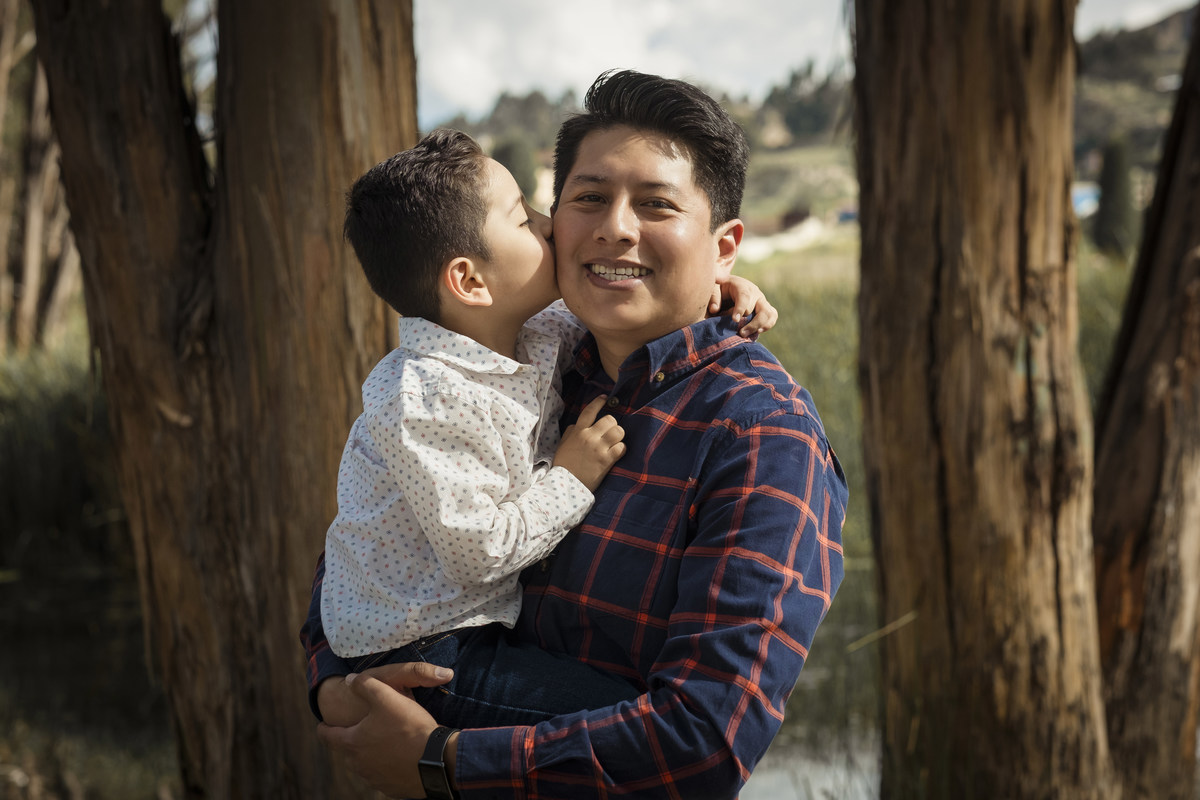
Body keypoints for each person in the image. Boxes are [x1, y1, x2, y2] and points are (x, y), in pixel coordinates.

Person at [303, 69, 846, 800]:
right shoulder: (532, 358)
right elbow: (370, 550)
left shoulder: (761, 436)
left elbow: (704, 744)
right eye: (586, 199)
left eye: (656, 205)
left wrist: (443, 762)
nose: (613, 227)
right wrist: (333, 687)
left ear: (724, 248)